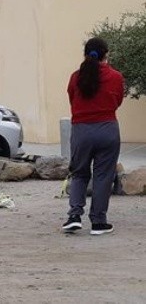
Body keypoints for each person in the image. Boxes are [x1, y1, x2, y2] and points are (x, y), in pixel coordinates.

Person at [62, 37, 124, 236]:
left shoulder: (75, 77)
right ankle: (98, 222)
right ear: (106, 55)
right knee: (103, 176)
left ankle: (74, 216)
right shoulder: (115, 77)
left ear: (85, 54)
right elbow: (117, 101)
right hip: (108, 129)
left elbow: (72, 99)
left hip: (81, 130)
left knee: (79, 173)